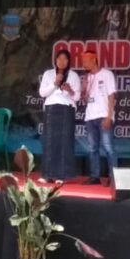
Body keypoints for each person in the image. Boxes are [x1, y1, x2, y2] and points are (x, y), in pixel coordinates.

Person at [38, 50, 80, 183]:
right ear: (55, 60)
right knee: (49, 142)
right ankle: (47, 175)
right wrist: (55, 83)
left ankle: (61, 175)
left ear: (68, 61)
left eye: (65, 59)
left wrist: (69, 90)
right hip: (51, 109)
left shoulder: (73, 75)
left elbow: (77, 97)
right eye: (59, 59)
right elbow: (42, 93)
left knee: (64, 142)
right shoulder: (48, 74)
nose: (62, 61)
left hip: (66, 109)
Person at [80, 49, 117, 185]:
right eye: (83, 61)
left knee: (108, 147)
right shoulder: (87, 77)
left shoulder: (107, 74)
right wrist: (84, 88)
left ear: (94, 59)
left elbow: (111, 96)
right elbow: (85, 101)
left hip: (103, 116)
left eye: (86, 61)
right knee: (92, 148)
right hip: (90, 117)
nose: (84, 64)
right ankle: (95, 176)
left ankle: (114, 178)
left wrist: (109, 116)